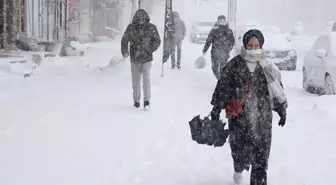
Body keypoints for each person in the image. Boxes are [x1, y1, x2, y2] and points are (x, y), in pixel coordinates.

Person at [209, 29, 288, 185]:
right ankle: (238, 172)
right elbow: (222, 88)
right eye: (250, 45)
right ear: (245, 45)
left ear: (261, 45)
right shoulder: (234, 65)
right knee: (240, 152)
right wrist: (216, 110)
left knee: (261, 158)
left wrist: (281, 109)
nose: (253, 49)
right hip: (240, 119)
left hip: (262, 120)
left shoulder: (267, 66)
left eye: (256, 45)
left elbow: (276, 89)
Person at [121, 9, 161, 110]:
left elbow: (157, 40)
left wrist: (150, 49)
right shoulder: (131, 28)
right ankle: (136, 101)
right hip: (134, 58)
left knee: (146, 80)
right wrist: (125, 51)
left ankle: (146, 101)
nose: (140, 22)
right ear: (135, 19)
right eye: (138, 20)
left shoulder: (151, 28)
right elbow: (124, 40)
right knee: (136, 81)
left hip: (147, 59)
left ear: (146, 19)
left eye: (142, 19)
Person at [202, 15, 235, 80]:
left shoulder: (214, 30)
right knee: (223, 68)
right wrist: (229, 49)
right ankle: (221, 80)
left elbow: (209, 40)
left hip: (215, 52)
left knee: (215, 68)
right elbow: (232, 41)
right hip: (224, 52)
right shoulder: (228, 30)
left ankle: (220, 79)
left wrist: (205, 49)